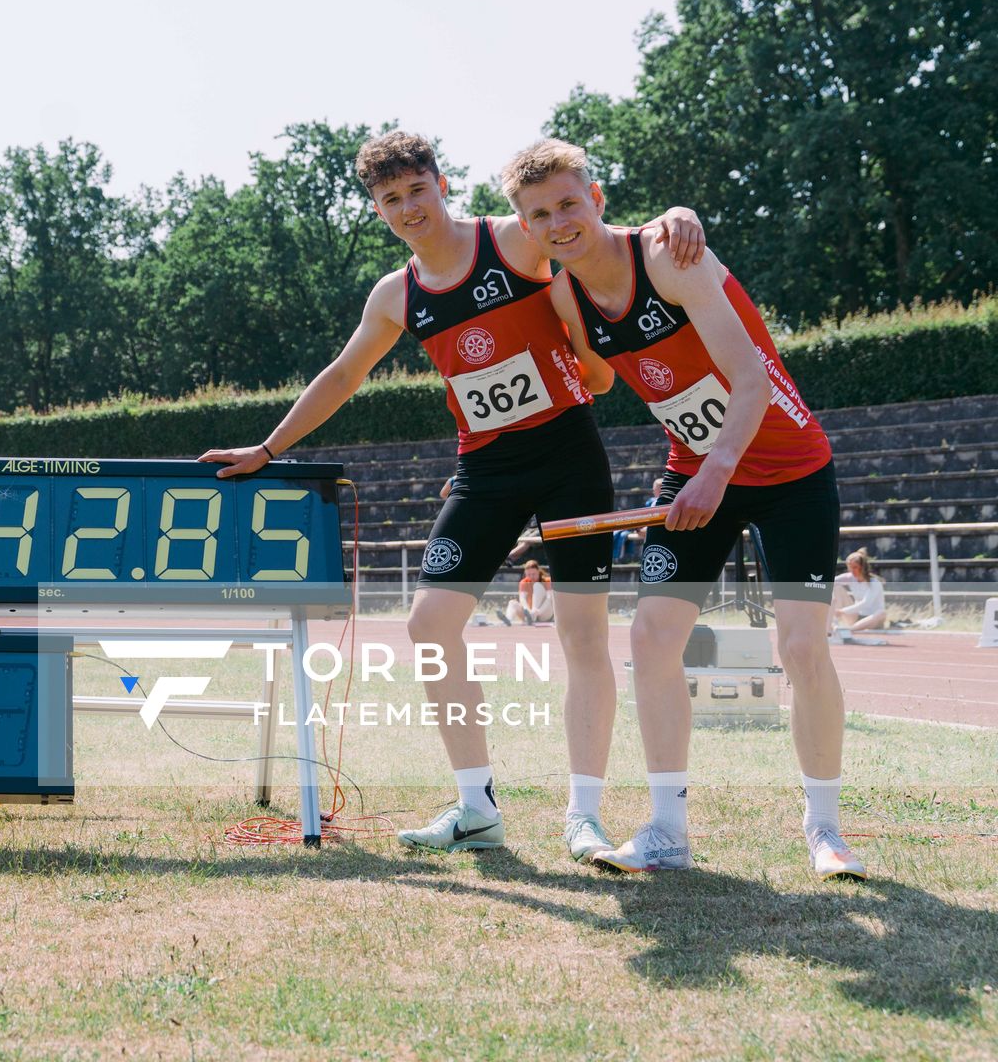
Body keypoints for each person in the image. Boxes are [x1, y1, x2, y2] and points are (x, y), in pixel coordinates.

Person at [202, 128, 705, 863]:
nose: (409, 208)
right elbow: (343, 376)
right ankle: (476, 806)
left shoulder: (513, 241)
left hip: (568, 457)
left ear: (442, 183)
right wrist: (270, 447)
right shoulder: (396, 295)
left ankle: (583, 815)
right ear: (377, 209)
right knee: (429, 624)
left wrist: (675, 215)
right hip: (486, 471)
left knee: (582, 640)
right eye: (390, 199)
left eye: (417, 190)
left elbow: (591, 233)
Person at [504, 136, 865, 881]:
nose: (559, 221)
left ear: (597, 199)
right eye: (540, 214)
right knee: (653, 636)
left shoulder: (668, 257)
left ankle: (825, 830)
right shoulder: (566, 294)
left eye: (570, 203)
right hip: (692, 467)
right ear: (528, 229)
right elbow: (597, 380)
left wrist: (718, 474)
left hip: (789, 467)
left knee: (801, 650)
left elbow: (751, 382)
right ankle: (668, 830)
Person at [830, 550, 888, 644]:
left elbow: (866, 603)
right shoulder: (849, 577)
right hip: (856, 617)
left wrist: (842, 611)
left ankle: (849, 630)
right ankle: (834, 625)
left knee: (881, 613)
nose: (852, 571)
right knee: (837, 588)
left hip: (872, 619)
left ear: (862, 567)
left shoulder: (874, 583)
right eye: (850, 567)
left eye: (855, 567)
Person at [505, 559, 555, 627]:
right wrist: (529, 612)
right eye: (528, 574)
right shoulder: (524, 582)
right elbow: (522, 599)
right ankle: (508, 620)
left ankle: (533, 615)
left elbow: (549, 598)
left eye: (534, 574)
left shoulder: (547, 581)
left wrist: (538, 611)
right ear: (525, 573)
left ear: (538, 571)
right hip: (530, 615)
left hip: (544, 614)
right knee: (512, 603)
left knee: (537, 585)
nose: (531, 577)